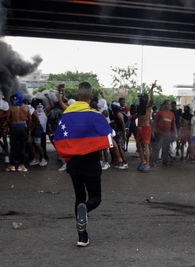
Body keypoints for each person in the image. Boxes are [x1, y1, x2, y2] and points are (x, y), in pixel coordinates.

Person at [54, 82, 114, 247]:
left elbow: (58, 137)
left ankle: (82, 236)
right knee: (95, 197)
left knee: (79, 196)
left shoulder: (67, 114)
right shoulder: (96, 116)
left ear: (78, 97)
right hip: (91, 162)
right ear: (91, 97)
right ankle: (86, 208)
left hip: (74, 163)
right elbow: (109, 138)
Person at [6, 92, 31, 172]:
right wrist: (29, 129)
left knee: (13, 147)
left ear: (15, 99)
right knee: (22, 147)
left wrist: (12, 124)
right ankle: (21, 165)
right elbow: (30, 119)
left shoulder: (11, 108)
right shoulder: (26, 108)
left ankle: (12, 165)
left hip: (14, 127)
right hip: (23, 127)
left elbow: (7, 119)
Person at [28, 95, 54, 167]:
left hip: (43, 132)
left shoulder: (45, 112)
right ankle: (35, 159)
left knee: (41, 146)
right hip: (35, 131)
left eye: (41, 105)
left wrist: (48, 97)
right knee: (34, 145)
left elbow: (52, 105)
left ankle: (43, 159)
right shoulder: (34, 112)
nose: (40, 107)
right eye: (38, 105)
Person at [135, 84, 156, 171]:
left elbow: (152, 100)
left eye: (143, 98)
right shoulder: (140, 108)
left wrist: (151, 89)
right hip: (140, 128)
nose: (141, 99)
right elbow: (138, 116)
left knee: (146, 146)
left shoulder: (148, 106)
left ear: (146, 99)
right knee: (138, 145)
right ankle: (143, 160)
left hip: (146, 128)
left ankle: (147, 164)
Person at [152, 99, 177, 166]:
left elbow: (173, 124)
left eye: (169, 104)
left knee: (166, 149)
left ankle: (165, 161)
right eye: (167, 104)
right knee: (157, 147)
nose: (168, 105)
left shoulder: (172, 114)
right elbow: (155, 122)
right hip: (159, 133)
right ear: (164, 105)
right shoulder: (160, 113)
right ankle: (154, 161)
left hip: (167, 134)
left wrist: (176, 133)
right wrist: (152, 132)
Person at [110, 102, 129, 169]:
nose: (111, 109)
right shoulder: (116, 114)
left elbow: (123, 124)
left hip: (120, 132)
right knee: (118, 146)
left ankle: (124, 162)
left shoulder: (118, 114)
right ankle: (120, 161)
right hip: (118, 132)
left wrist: (124, 134)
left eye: (112, 107)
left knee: (120, 147)